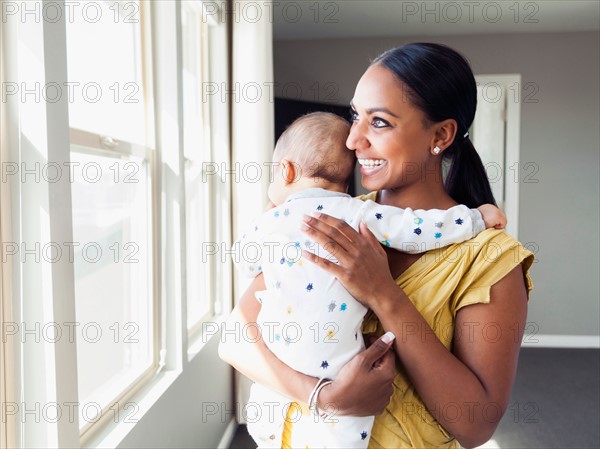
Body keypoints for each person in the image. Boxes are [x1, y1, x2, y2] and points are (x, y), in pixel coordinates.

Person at [219, 42, 534, 449]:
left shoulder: (489, 258)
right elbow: (236, 338)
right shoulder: (325, 219)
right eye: (355, 116)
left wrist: (383, 294)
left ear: (440, 135)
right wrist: (325, 397)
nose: (352, 140)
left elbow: (475, 426)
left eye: (379, 122)